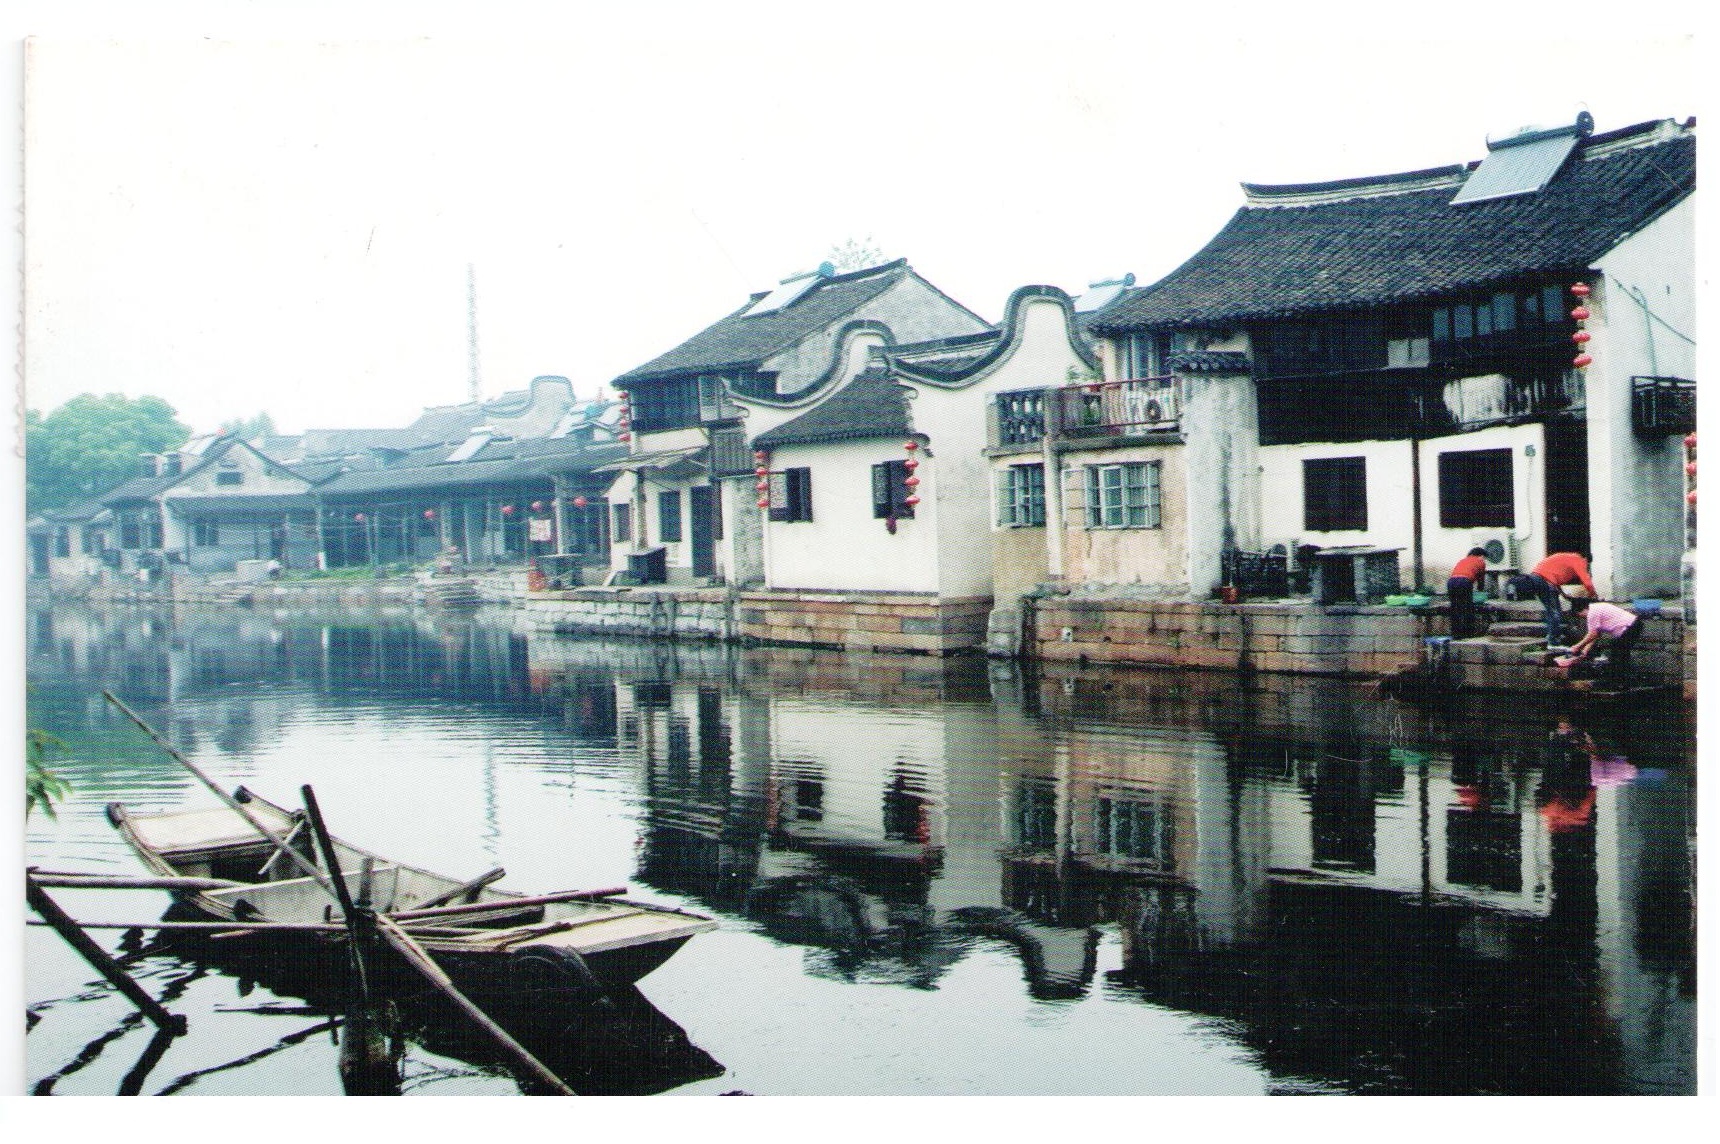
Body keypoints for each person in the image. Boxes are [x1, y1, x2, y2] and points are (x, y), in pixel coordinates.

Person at [1512, 551, 1597, 647]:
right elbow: (1587, 582)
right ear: (1586, 559)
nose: (1586, 567)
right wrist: (1593, 595)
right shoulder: (1578, 560)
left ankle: (1552, 636)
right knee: (1554, 612)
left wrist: (1564, 594)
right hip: (1544, 582)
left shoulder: (1566, 558)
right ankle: (1553, 642)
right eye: (1587, 565)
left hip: (1537, 578)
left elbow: (1552, 577)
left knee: (1552, 611)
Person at [1560, 597, 1644, 685]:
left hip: (1630, 627)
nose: (1583, 618)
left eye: (1580, 615)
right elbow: (1596, 634)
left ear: (1582, 610)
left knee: (1618, 653)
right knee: (1620, 653)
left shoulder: (1592, 613)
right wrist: (1585, 650)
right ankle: (1622, 680)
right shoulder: (1596, 607)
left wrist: (1576, 647)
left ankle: (1619, 682)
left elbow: (1593, 634)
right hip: (1634, 625)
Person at [1446, 547, 1488, 638]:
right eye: (1484, 558)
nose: (1484, 560)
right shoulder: (1481, 562)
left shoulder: (1462, 560)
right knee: (1467, 608)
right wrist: (1480, 592)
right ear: (1481, 556)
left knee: (1455, 608)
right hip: (1464, 582)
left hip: (1451, 582)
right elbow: (1481, 580)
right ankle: (1468, 634)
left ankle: (1456, 634)